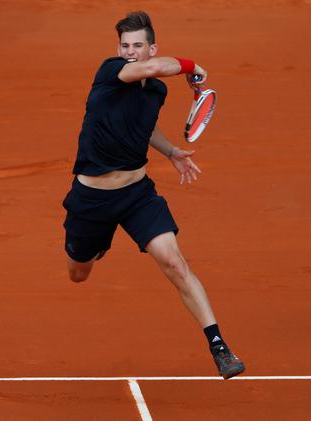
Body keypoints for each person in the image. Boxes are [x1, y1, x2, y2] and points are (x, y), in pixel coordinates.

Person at [62, 11, 245, 379]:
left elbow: (143, 125)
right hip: (92, 199)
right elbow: (156, 69)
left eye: (137, 46)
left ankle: (219, 347)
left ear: (151, 47)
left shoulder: (155, 91)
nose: (130, 52)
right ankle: (97, 246)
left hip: (136, 194)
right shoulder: (112, 72)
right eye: (125, 46)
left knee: (174, 262)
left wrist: (172, 151)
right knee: (78, 273)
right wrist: (194, 65)